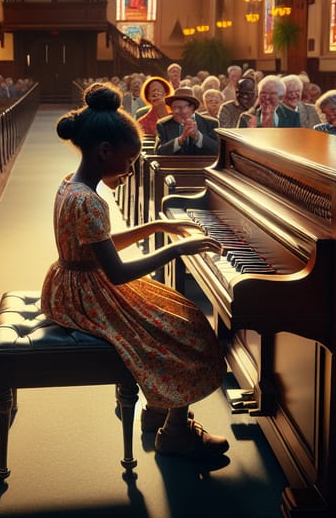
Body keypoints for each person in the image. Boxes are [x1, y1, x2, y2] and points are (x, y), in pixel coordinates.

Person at [41, 83, 229, 458]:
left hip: (71, 283)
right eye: (128, 162)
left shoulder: (72, 186)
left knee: (180, 311)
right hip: (87, 294)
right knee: (183, 328)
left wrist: (155, 227)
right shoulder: (90, 201)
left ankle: (158, 408)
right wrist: (179, 248)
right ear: (104, 151)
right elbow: (117, 272)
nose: (130, 170)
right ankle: (175, 430)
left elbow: (98, 246)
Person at [155, 87, 219, 155]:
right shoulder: (163, 125)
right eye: (174, 108)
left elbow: (217, 150)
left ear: (192, 107)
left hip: (204, 165)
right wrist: (180, 140)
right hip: (173, 165)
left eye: (180, 107)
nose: (176, 111)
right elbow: (158, 152)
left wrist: (198, 137)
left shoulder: (211, 124)